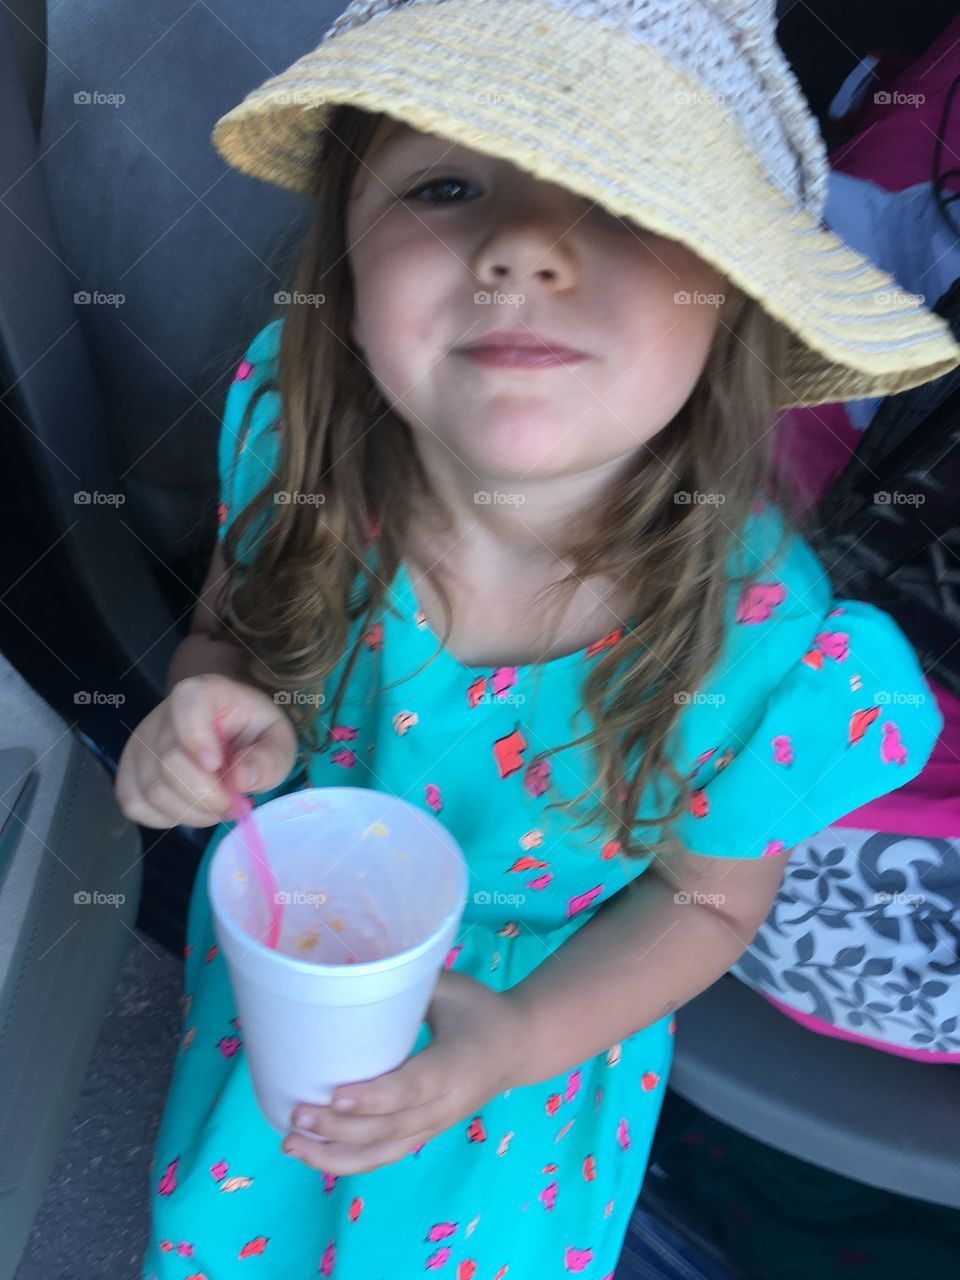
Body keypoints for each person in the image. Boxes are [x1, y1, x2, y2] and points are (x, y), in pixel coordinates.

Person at [114, 2, 960, 1277]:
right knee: (233, 1231)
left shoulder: (765, 637)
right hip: (289, 980)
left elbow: (705, 901)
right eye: (447, 183)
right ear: (345, 277)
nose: (520, 245)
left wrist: (510, 1042)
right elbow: (229, 626)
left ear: (728, 299)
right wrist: (199, 707)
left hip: (524, 1074)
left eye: (623, 203)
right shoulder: (295, 441)